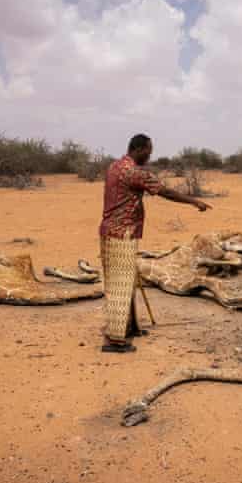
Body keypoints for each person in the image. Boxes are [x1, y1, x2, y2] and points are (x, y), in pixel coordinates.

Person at [99, 134, 211, 352]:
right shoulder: (134, 172)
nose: (150, 155)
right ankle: (114, 340)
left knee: (126, 281)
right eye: (149, 151)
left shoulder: (115, 166)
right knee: (120, 286)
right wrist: (194, 201)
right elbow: (164, 191)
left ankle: (128, 328)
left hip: (110, 231)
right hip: (122, 233)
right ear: (139, 149)